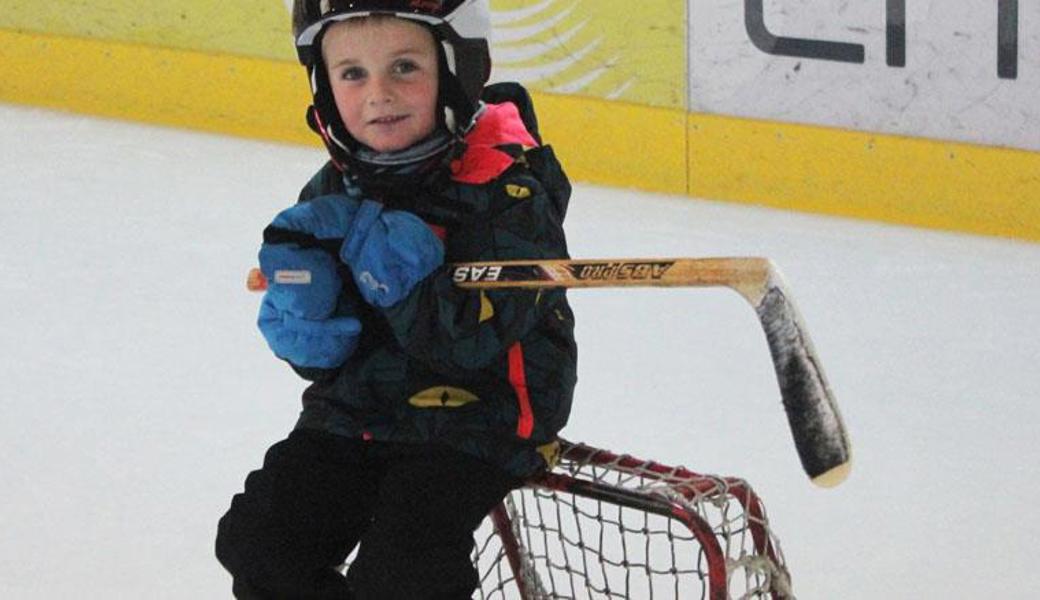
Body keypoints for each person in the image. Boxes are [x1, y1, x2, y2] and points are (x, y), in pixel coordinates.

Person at [215, 1, 577, 598]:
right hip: (361, 408)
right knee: (259, 544)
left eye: (404, 67)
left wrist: (395, 270)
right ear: (325, 88)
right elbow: (321, 358)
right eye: (352, 73)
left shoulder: (506, 187)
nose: (378, 93)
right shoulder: (338, 182)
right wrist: (309, 319)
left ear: (455, 71)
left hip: (477, 414)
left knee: (402, 578)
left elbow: (465, 345)